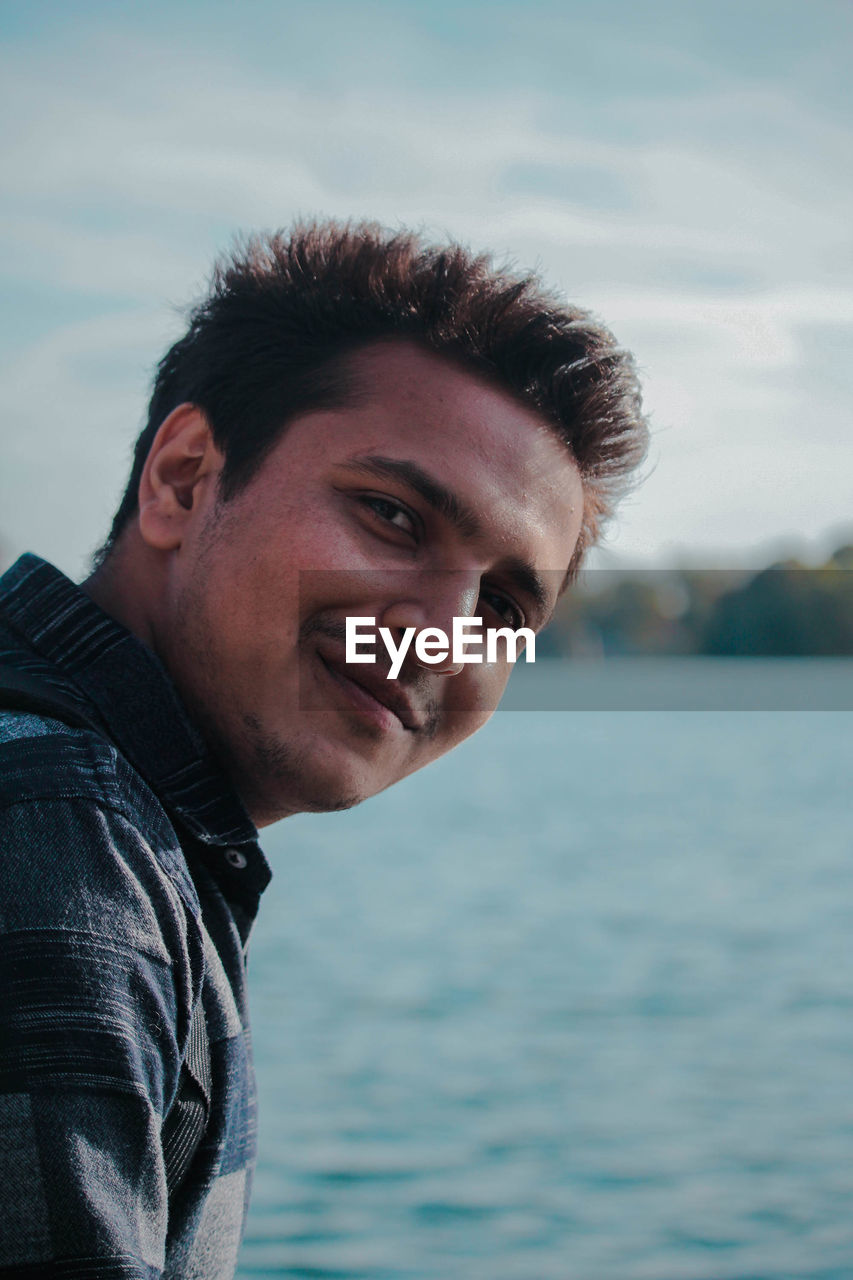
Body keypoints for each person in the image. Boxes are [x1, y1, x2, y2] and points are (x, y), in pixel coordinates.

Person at [0, 220, 648, 1277]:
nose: (438, 629)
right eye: (392, 515)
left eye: (502, 602)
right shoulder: (57, 831)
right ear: (182, 477)